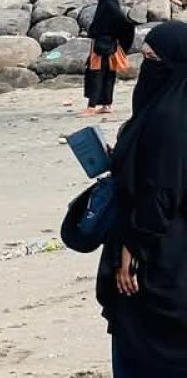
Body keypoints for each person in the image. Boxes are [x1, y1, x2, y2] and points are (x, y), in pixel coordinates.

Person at [98, 21, 187, 377]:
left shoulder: (168, 118)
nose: (146, 68)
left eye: (153, 59)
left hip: (160, 259)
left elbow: (160, 193)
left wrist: (130, 251)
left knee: (145, 348)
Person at [85, 0, 136, 116]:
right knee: (108, 75)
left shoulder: (107, 5)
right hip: (110, 46)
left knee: (96, 74)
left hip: (102, 47)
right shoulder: (109, 3)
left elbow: (124, 25)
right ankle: (106, 105)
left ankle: (91, 107)